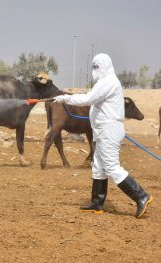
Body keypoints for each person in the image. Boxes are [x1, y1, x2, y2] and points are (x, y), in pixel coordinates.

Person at [54, 53, 153, 218]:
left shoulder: (108, 82)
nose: (95, 70)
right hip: (102, 130)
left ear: (106, 66)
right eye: (94, 67)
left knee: (112, 167)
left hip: (109, 130)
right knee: (99, 167)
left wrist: (66, 98)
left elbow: (89, 98)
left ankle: (141, 196)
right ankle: (97, 203)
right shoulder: (104, 82)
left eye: (97, 66)